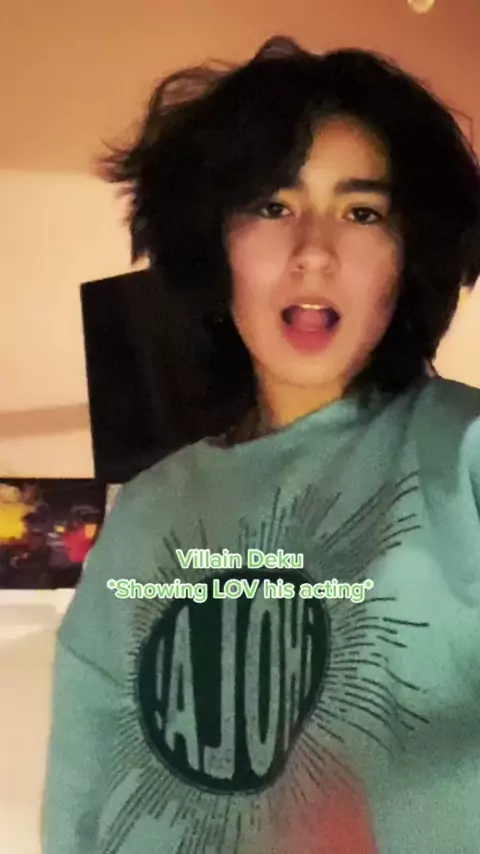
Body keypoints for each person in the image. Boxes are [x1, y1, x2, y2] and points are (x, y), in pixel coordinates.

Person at [42, 36, 480, 854]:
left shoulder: (465, 456)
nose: (313, 250)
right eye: (273, 207)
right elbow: (81, 803)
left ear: (408, 253)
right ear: (217, 242)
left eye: (362, 212)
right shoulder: (145, 513)